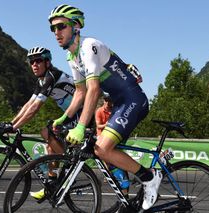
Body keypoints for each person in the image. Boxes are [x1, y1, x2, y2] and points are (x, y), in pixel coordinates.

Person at [48, 4, 161, 210]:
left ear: (76, 27)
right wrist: (65, 118)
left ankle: (149, 177)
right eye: (53, 28)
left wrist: (81, 126)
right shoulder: (72, 56)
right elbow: (80, 92)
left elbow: (93, 89)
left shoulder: (88, 46)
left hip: (132, 100)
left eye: (61, 26)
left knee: (102, 148)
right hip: (120, 103)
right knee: (107, 152)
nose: (56, 32)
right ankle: (126, 200)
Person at [9, 46, 91, 199]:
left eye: (38, 61)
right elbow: (28, 104)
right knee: (50, 146)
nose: (34, 64)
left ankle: (69, 163)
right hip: (72, 116)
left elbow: (34, 108)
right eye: (31, 61)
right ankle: (52, 184)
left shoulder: (52, 76)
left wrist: (14, 127)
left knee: (46, 131)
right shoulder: (41, 80)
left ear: (47, 62)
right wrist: (11, 123)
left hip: (84, 114)